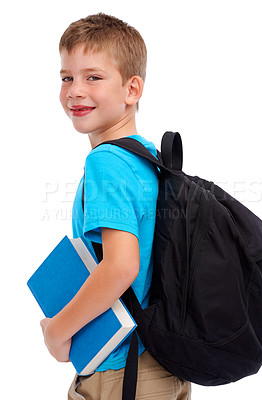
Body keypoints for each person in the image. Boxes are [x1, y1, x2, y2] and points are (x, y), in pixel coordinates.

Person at [39, 13, 191, 399]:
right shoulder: (150, 157)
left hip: (121, 371)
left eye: (93, 77)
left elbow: (122, 265)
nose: (74, 90)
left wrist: (58, 331)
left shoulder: (105, 161)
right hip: (164, 365)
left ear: (132, 89)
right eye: (66, 77)